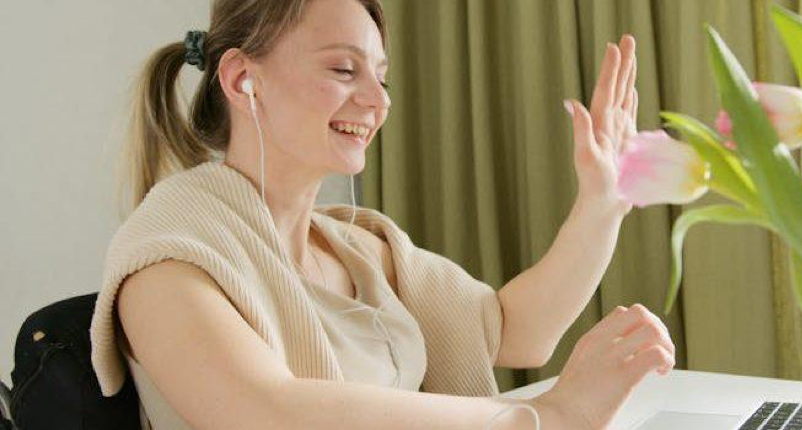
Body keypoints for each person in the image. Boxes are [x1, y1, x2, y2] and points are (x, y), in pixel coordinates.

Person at [87, 0, 676, 429]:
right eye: (344, 70)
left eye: (381, 76)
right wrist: (542, 417)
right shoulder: (166, 259)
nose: (378, 99)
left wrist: (605, 200)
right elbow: (267, 412)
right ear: (243, 80)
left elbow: (515, 331)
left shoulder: (356, 248)